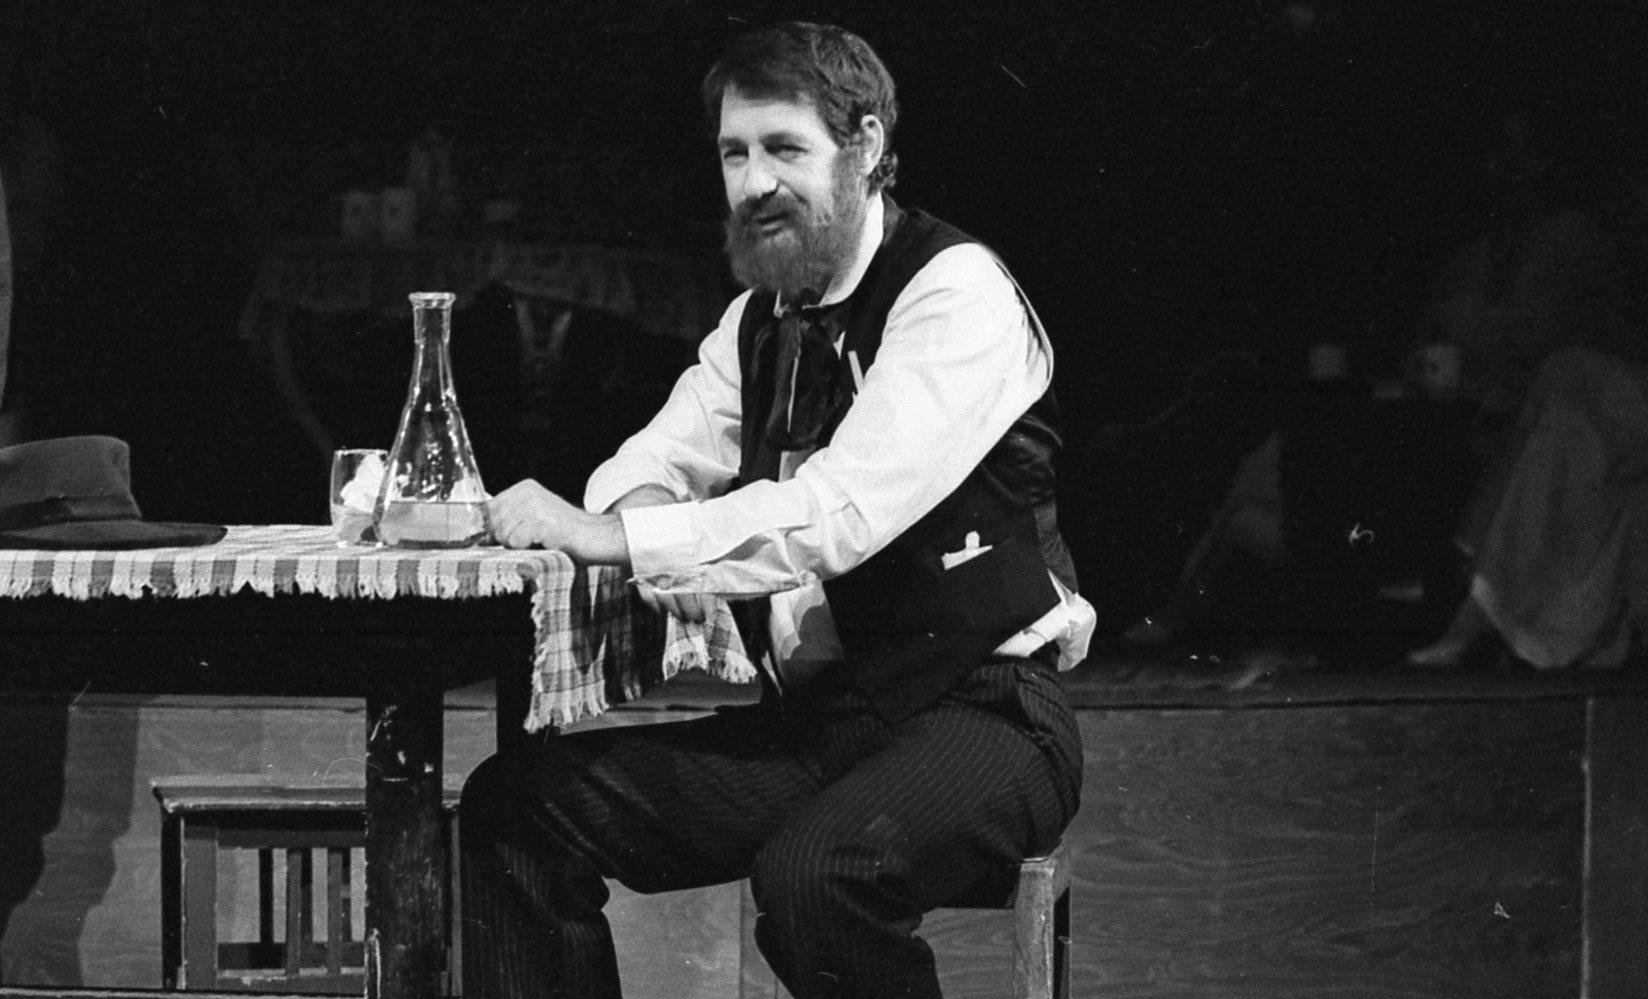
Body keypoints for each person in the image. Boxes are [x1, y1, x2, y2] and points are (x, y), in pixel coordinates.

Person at [459, 22, 1095, 999]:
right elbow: (652, 460)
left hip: (985, 715)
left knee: (815, 878)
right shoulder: (760, 321)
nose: (755, 183)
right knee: (517, 808)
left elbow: (835, 515)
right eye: (734, 153)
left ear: (867, 146)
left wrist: (621, 540)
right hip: (824, 727)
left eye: (784, 149)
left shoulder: (952, 292)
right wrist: (641, 515)